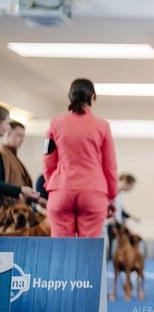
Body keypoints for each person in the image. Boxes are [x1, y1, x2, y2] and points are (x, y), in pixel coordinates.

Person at [42, 79, 118, 238]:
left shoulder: (55, 124)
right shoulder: (102, 126)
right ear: (92, 98)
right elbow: (109, 165)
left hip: (61, 191)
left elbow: (48, 159)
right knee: (87, 252)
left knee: (62, 251)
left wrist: (52, 184)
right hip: (93, 192)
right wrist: (111, 197)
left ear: (70, 97)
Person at [0, 107, 39, 202]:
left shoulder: (12, 156)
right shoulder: (4, 154)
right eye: (7, 123)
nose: (8, 127)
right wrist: (19, 190)